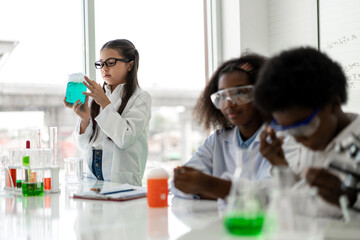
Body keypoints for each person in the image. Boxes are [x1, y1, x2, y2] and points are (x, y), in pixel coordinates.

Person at [254, 47, 359, 217]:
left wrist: (349, 202)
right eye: (288, 130)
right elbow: (300, 202)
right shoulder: (315, 140)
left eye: (301, 127)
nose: (298, 139)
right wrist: (282, 166)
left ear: (333, 104)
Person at [171, 53, 273, 200]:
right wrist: (225, 193)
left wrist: (211, 186)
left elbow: (271, 194)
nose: (229, 103)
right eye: (222, 96)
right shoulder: (217, 141)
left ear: (261, 93)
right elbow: (177, 184)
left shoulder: (280, 139)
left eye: (239, 93)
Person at [64, 39, 151, 186]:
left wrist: (104, 103)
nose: (104, 68)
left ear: (130, 64)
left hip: (122, 181)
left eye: (111, 62)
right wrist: (85, 119)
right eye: (101, 63)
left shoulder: (141, 98)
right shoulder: (97, 96)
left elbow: (125, 138)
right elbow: (84, 146)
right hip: (93, 176)